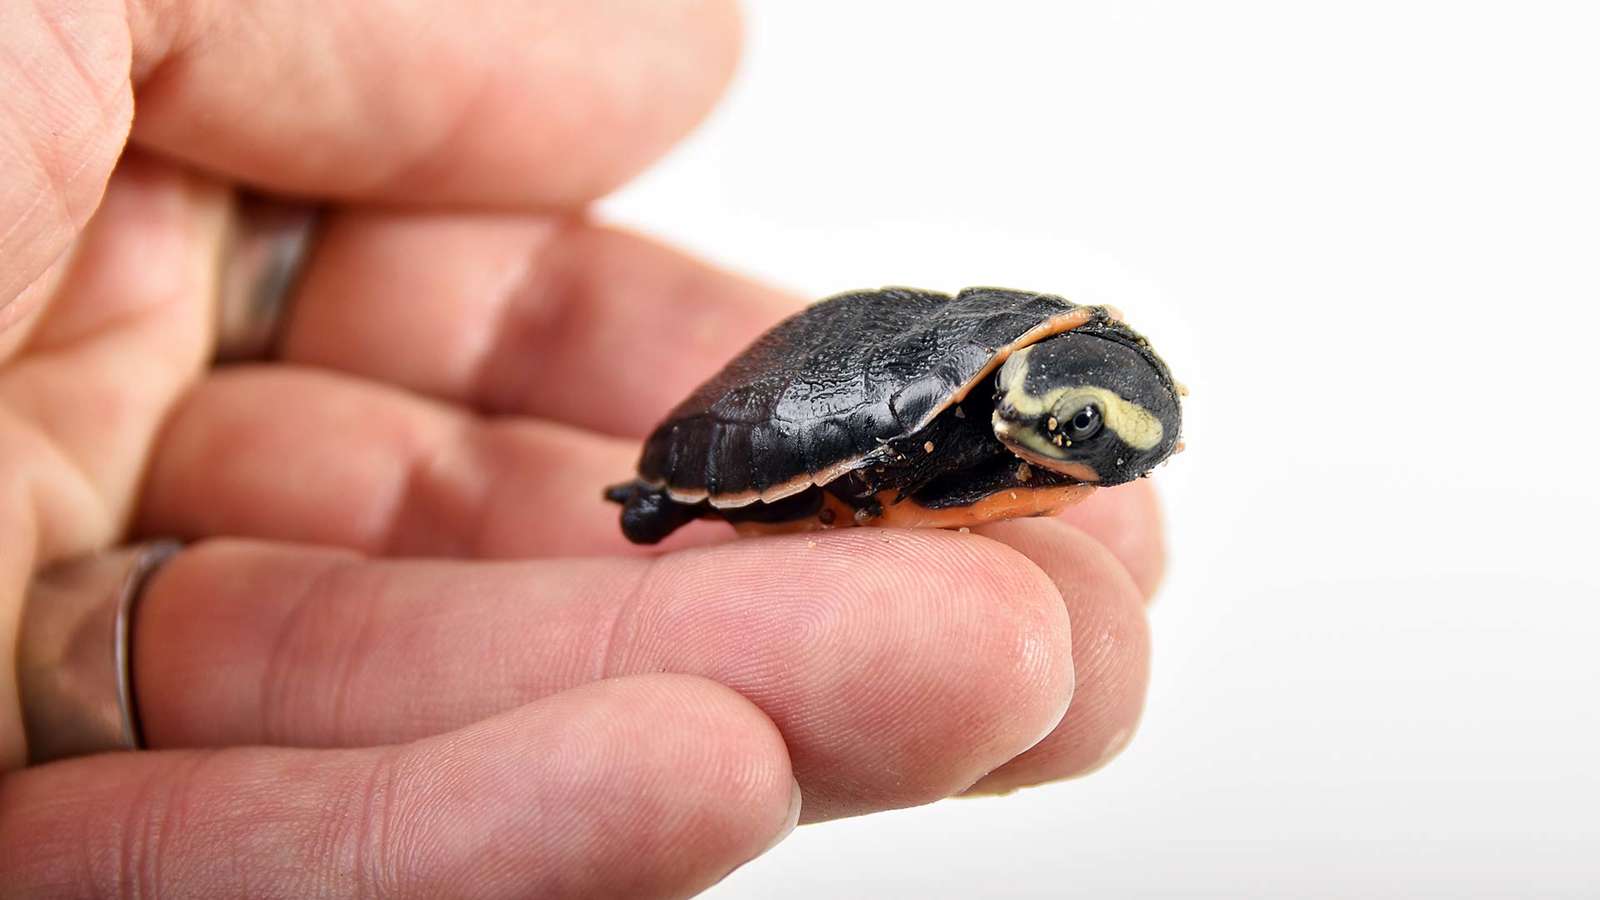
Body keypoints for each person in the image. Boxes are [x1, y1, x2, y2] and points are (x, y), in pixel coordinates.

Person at [0, 2, 1167, 895]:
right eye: (1073, 430)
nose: (1096, 459)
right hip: (796, 409)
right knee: (715, 533)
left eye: (1116, 449)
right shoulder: (947, 416)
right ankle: (664, 490)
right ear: (1020, 390)